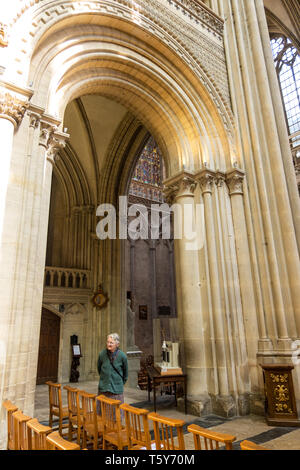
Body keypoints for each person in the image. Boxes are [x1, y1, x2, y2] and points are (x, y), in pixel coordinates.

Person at [97, 333, 128, 415]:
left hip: (116, 391)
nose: (109, 344)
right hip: (103, 389)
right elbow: (99, 369)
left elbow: (126, 373)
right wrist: (105, 380)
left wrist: (119, 383)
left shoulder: (122, 356)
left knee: (116, 416)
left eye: (111, 343)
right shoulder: (102, 354)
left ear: (117, 344)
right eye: (108, 342)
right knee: (102, 414)